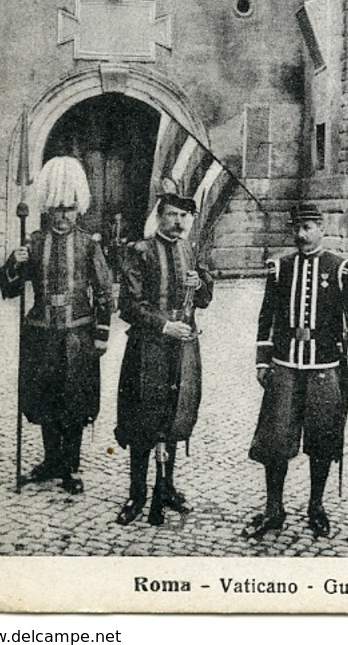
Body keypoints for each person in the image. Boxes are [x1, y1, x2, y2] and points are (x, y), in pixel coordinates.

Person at [242, 202, 348, 540]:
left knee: (323, 440)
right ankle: (274, 508)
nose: (301, 234)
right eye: (297, 228)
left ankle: (316, 505)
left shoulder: (340, 269)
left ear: (321, 228)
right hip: (285, 367)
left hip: (326, 368)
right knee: (275, 442)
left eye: (308, 227)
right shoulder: (280, 268)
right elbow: (266, 317)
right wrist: (262, 361)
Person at [0, 156, 112, 495]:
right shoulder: (33, 242)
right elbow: (10, 289)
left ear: (79, 208)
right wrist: (15, 265)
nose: (63, 216)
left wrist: (102, 335)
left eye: (69, 209)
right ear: (48, 209)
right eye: (58, 209)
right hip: (41, 333)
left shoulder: (89, 244)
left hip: (78, 333)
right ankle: (51, 461)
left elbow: (105, 292)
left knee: (74, 401)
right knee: (45, 397)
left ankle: (72, 466)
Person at [114, 191, 214, 525]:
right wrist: (164, 325)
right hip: (148, 348)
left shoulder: (190, 250)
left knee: (174, 415)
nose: (178, 221)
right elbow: (129, 305)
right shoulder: (139, 251)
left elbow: (204, 300)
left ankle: (166, 486)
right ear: (160, 216)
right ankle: (137, 493)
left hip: (183, 346)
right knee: (144, 417)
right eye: (172, 214)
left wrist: (199, 283)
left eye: (184, 216)